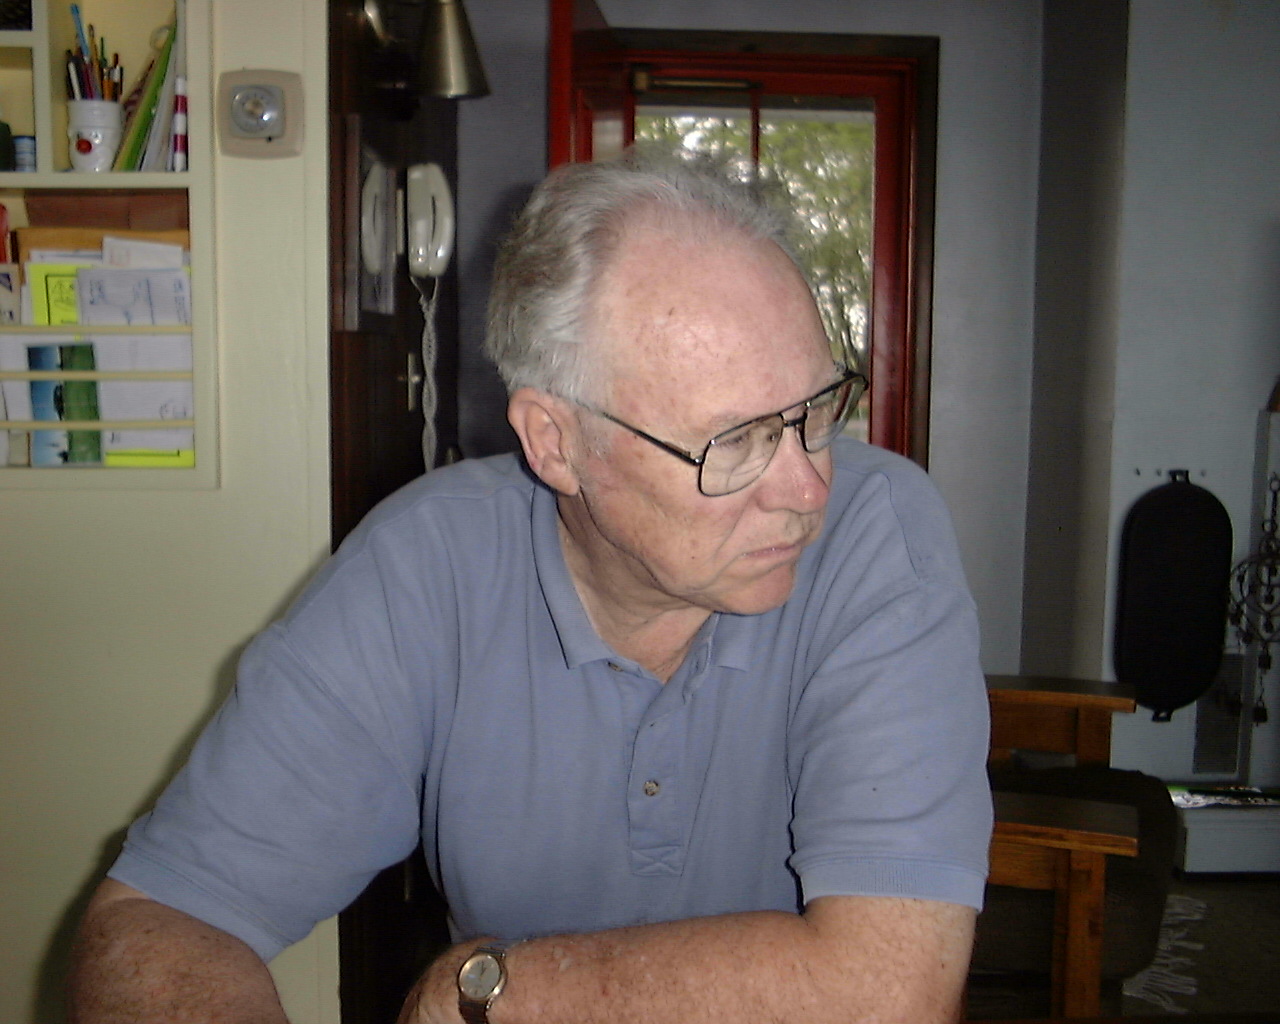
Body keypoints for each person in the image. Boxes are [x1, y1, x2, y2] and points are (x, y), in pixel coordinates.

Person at [69, 151, 992, 1024]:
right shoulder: (428, 565)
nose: (807, 489)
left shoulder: (878, 533)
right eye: (736, 442)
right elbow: (159, 919)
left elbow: (889, 995)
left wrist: (492, 991)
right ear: (555, 443)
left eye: (816, 412)